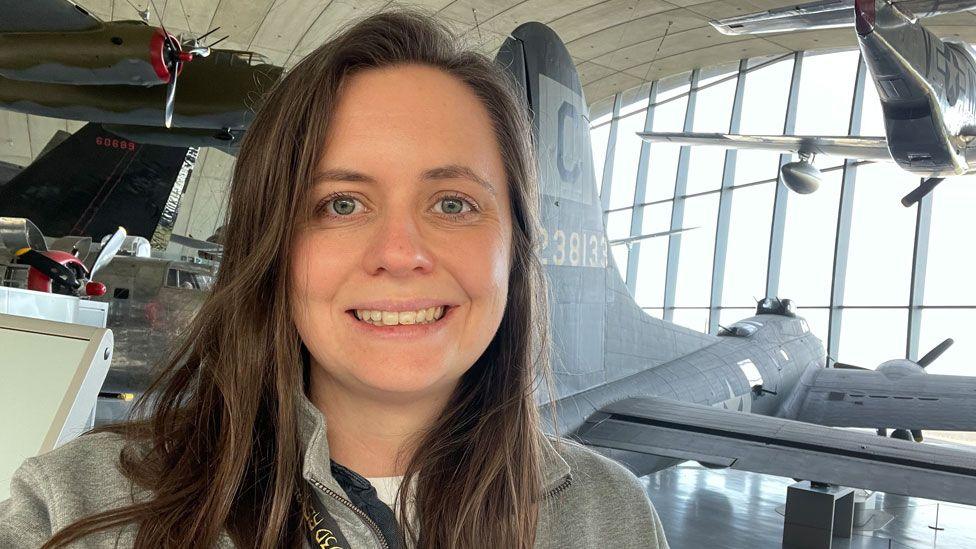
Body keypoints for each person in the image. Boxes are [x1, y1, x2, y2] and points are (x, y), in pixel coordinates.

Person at [0, 9, 668, 549]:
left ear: (516, 246)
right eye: (341, 204)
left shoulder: (610, 518)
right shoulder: (76, 509)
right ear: (274, 244)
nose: (400, 252)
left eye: (453, 203)